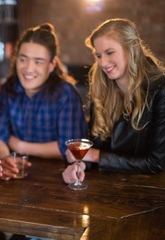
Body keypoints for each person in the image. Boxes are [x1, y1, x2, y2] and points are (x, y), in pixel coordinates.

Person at [62, 18, 165, 185]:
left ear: (132, 49)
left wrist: (95, 156)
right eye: (98, 56)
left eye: (110, 53)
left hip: (152, 194)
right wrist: (79, 165)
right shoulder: (102, 88)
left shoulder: (161, 89)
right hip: (108, 189)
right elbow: (97, 146)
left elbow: (156, 162)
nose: (103, 63)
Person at [0, 23, 88, 180]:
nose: (28, 68)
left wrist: (20, 146)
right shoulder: (8, 90)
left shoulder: (65, 94)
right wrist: (6, 158)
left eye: (38, 62)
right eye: (23, 59)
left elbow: (69, 148)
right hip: (16, 179)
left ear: (51, 65)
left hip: (57, 179)